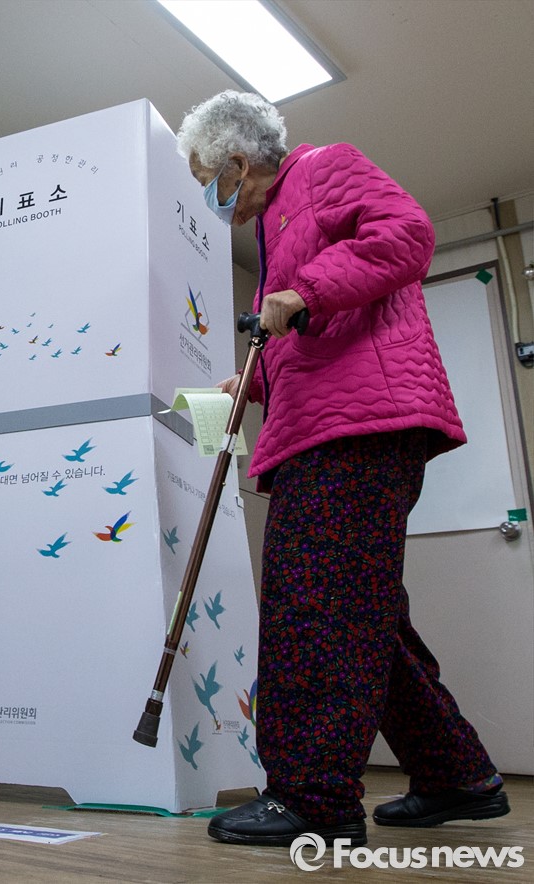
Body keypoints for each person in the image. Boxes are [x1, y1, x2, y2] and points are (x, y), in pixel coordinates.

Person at [176, 90, 509, 848]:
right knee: (362, 613)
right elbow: (308, 338)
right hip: (331, 425)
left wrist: (305, 290)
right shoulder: (275, 225)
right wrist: (250, 381)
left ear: (237, 162)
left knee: (315, 609)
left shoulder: (324, 169)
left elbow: (408, 234)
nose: (209, 196)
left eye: (208, 178)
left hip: (355, 430)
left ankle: (314, 798)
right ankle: (458, 775)